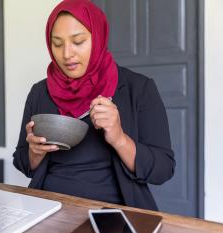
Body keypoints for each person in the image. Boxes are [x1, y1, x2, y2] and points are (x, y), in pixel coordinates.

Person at [13, 0, 175, 211]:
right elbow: (22, 163)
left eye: (78, 41)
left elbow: (163, 169)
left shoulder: (139, 89)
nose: (67, 54)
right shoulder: (40, 92)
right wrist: (35, 152)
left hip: (115, 211)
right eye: (57, 43)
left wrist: (119, 138)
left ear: (98, 38)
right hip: (49, 207)